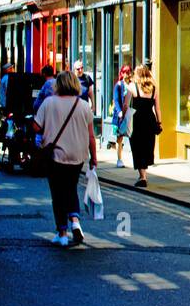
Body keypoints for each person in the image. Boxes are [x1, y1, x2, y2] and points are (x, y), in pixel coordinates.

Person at [32, 70, 97, 247]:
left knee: (58, 193)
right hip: (78, 156)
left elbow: (36, 127)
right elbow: (91, 136)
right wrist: (94, 158)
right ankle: (75, 221)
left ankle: (62, 233)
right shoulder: (83, 105)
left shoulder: (49, 102)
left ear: (58, 85)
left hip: (56, 156)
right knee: (71, 188)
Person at [129, 64, 160, 188]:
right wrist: (159, 122)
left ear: (137, 74)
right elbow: (157, 108)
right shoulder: (154, 89)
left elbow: (126, 105)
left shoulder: (132, 87)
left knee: (137, 147)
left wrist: (124, 118)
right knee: (147, 146)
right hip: (150, 120)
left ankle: (142, 176)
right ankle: (143, 175)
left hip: (137, 120)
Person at [110, 65, 133, 168]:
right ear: (122, 73)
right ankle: (119, 159)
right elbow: (116, 99)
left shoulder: (132, 85)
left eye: (129, 72)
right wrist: (119, 111)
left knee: (131, 136)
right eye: (126, 72)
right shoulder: (119, 85)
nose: (127, 74)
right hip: (120, 115)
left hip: (130, 113)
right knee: (120, 138)